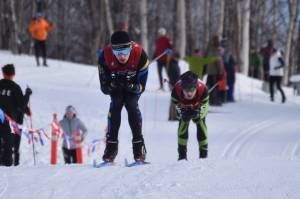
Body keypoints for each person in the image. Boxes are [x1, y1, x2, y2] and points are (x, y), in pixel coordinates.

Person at [97, 30, 149, 163]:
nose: (121, 56)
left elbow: (142, 87)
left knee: (131, 104)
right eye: (117, 52)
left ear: (131, 47)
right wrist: (113, 84)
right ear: (112, 50)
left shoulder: (140, 55)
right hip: (116, 88)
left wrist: (131, 86)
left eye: (125, 51)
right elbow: (104, 88)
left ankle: (139, 147)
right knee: (116, 103)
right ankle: (111, 149)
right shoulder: (105, 56)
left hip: (132, 87)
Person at [171, 71, 209, 160]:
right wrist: (181, 113)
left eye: (191, 90)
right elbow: (176, 107)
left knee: (201, 124)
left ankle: (203, 154)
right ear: (181, 88)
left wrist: (199, 113)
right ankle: (182, 155)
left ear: (196, 87)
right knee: (183, 123)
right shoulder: (175, 91)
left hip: (199, 105)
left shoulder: (203, 90)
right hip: (183, 105)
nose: (189, 94)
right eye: (186, 90)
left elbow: (205, 107)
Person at [0, 64, 32, 166]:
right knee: (9, 142)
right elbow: (22, 105)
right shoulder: (15, 88)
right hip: (9, 121)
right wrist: (27, 94)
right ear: (13, 74)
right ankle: (7, 164)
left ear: (3, 73)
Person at [205, 35, 223, 106]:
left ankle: (208, 99)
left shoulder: (209, 48)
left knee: (209, 85)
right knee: (214, 86)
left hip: (209, 70)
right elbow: (217, 61)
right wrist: (220, 71)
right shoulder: (215, 50)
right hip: (214, 71)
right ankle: (214, 100)